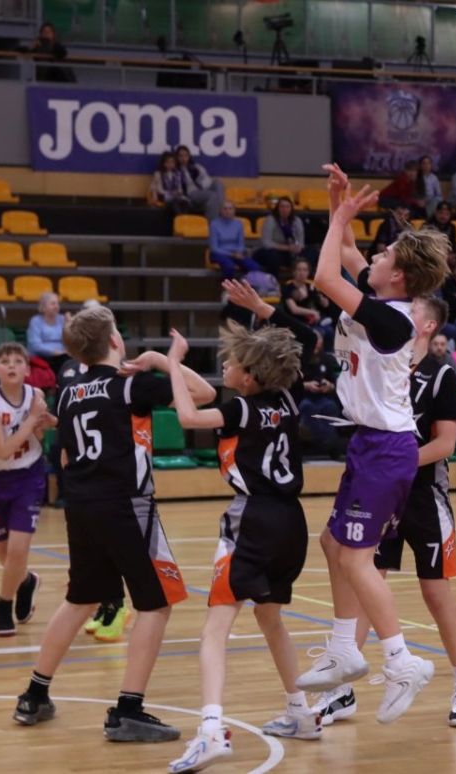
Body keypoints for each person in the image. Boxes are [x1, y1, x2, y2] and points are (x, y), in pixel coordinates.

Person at [12, 306, 215, 739]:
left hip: (80, 505)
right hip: (126, 504)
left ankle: (34, 694)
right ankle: (128, 709)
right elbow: (203, 393)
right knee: (156, 604)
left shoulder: (69, 393)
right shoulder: (130, 384)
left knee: (81, 599)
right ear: (115, 341)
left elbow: (65, 454)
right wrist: (162, 360)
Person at [295, 162, 448, 724]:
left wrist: (339, 218)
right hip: (369, 444)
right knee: (333, 544)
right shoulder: (381, 299)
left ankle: (403, 662)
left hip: (387, 448)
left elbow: (324, 276)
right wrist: (335, 200)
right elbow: (348, 254)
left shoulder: (393, 321)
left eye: (383, 256)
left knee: (359, 559)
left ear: (398, 277)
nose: (373, 258)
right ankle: (343, 648)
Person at [165, 286, 320, 772]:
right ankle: (301, 713)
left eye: (231, 363)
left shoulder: (240, 409)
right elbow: (307, 337)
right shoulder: (289, 399)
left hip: (251, 519)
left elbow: (187, 415)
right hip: (292, 522)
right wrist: (262, 310)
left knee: (215, 628)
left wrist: (172, 363)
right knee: (270, 618)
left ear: (249, 377)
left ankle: (211, 730)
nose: (225, 366)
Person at [320, 295, 456, 729]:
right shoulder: (385, 362)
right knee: (365, 579)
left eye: (410, 311)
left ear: (427, 326)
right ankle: (342, 688)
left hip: (424, 496)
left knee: (435, 593)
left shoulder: (441, 374)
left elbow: (446, 443)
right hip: (383, 490)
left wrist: (396, 463)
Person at [0, 342, 53, 636]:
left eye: (18, 361)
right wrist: (32, 420)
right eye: (5, 361)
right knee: (6, 556)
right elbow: (3, 450)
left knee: (18, 551)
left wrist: (45, 421)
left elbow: (40, 434)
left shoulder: (36, 397)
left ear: (27, 370)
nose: (11, 365)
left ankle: (3, 605)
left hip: (28, 477)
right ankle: (27, 582)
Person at [208, 202, 263, 281]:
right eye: (225, 209)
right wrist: (231, 254)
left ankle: (246, 285)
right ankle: (227, 287)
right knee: (229, 266)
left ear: (234, 211)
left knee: (254, 266)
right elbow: (214, 247)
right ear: (220, 211)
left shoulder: (238, 224)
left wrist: (238, 252)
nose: (227, 211)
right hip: (219, 253)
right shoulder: (214, 224)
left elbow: (241, 243)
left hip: (236, 253)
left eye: (230, 209)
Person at [255, 197, 306, 275]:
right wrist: (287, 248)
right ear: (277, 209)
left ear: (291, 209)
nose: (284, 209)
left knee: (310, 252)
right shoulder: (271, 219)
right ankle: (273, 279)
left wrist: (298, 248)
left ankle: (306, 278)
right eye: (282, 207)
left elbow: (301, 242)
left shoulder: (297, 221)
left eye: (287, 207)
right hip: (270, 251)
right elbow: (266, 243)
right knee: (272, 255)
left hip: (290, 253)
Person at [176, 145, 226, 221]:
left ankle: (222, 211)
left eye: (186, 155)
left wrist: (203, 187)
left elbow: (207, 179)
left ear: (189, 156)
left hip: (203, 189)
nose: (183, 158)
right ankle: (213, 224)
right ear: (177, 157)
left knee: (218, 183)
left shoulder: (196, 167)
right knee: (212, 195)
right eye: (181, 156)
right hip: (192, 194)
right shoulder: (176, 170)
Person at [26, 291, 68, 361]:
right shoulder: (35, 321)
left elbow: (69, 342)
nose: (56, 306)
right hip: (41, 357)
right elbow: (36, 346)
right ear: (43, 307)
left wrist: (70, 324)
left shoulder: (63, 319)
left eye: (58, 304)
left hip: (62, 356)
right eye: (53, 304)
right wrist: (53, 352)